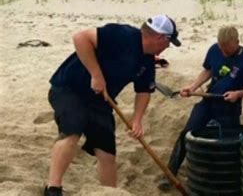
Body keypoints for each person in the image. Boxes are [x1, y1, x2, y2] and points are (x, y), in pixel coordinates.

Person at [44, 15, 181, 196]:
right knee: (73, 129)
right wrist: (96, 74)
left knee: (107, 151)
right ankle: (53, 188)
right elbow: (80, 38)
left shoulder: (147, 60)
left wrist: (137, 120)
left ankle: (109, 192)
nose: (167, 47)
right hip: (70, 88)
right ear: (160, 38)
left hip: (101, 100)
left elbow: (144, 91)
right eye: (169, 42)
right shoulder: (122, 35)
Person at [158, 26, 243, 191]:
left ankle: (227, 186)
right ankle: (170, 174)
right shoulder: (215, 50)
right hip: (208, 101)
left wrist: (239, 93)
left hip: (229, 108)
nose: (223, 52)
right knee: (186, 134)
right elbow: (208, 70)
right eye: (221, 48)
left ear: (237, 42)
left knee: (228, 147)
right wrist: (193, 87)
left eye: (227, 50)